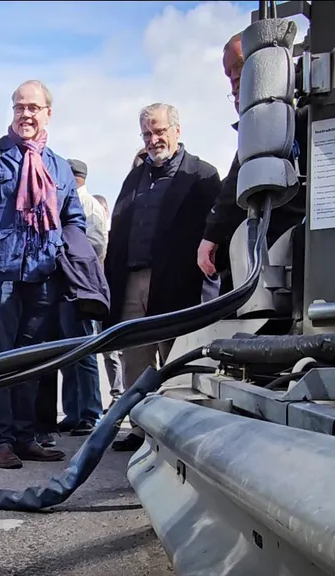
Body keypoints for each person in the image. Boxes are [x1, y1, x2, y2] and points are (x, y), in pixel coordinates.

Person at [0, 79, 88, 469]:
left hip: (43, 274)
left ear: (48, 113)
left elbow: (73, 219)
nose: (25, 114)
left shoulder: (58, 166)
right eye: (19, 107)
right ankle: (1, 439)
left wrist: (74, 262)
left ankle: (27, 436)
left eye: (33, 107)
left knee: (32, 360)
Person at [104, 103, 221, 452]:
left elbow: (216, 232)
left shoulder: (201, 174)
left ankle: (176, 430)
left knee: (176, 359)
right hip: (133, 280)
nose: (154, 140)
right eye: (147, 134)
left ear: (177, 131)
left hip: (177, 282)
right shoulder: (135, 177)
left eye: (160, 132)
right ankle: (140, 427)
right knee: (134, 358)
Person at [197, 32, 308, 292]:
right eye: (229, 74)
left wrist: (211, 235)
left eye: (239, 66)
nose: (235, 79)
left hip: (285, 247)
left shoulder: (283, 117)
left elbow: (243, 175)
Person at [36, 158, 107, 440]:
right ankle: (73, 412)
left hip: (79, 286)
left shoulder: (88, 206)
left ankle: (90, 413)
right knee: (65, 353)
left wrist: (64, 251)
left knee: (83, 351)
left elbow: (97, 245)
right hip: (59, 288)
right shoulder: (60, 202)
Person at [93, 192, 124, 407]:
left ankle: (122, 394)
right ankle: (117, 394)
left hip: (118, 296)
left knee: (123, 351)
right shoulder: (99, 240)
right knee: (109, 351)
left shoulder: (117, 238)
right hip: (102, 298)